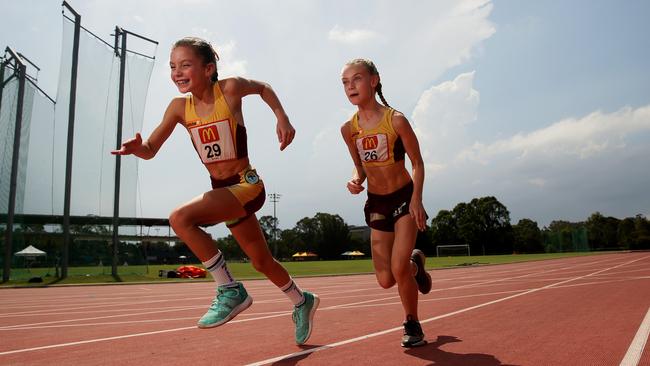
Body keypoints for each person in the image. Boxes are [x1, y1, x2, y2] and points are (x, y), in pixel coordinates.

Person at [112, 37, 318, 345]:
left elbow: (263, 88)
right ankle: (303, 301)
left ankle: (229, 289)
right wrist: (136, 149)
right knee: (261, 262)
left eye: (185, 65)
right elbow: (151, 147)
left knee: (180, 219)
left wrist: (282, 117)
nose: (177, 72)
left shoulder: (230, 90)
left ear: (209, 69)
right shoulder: (179, 108)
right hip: (223, 192)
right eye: (172, 67)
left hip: (246, 185)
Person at [339, 58, 432, 347]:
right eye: (345, 82)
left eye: (356, 79)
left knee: (397, 266)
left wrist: (416, 199)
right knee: (385, 279)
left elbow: (417, 163)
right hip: (377, 203)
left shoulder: (396, 120)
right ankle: (416, 264)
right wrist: (355, 180)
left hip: (403, 198)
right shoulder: (348, 129)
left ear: (374, 81)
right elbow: (360, 167)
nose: (350, 86)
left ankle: (412, 323)